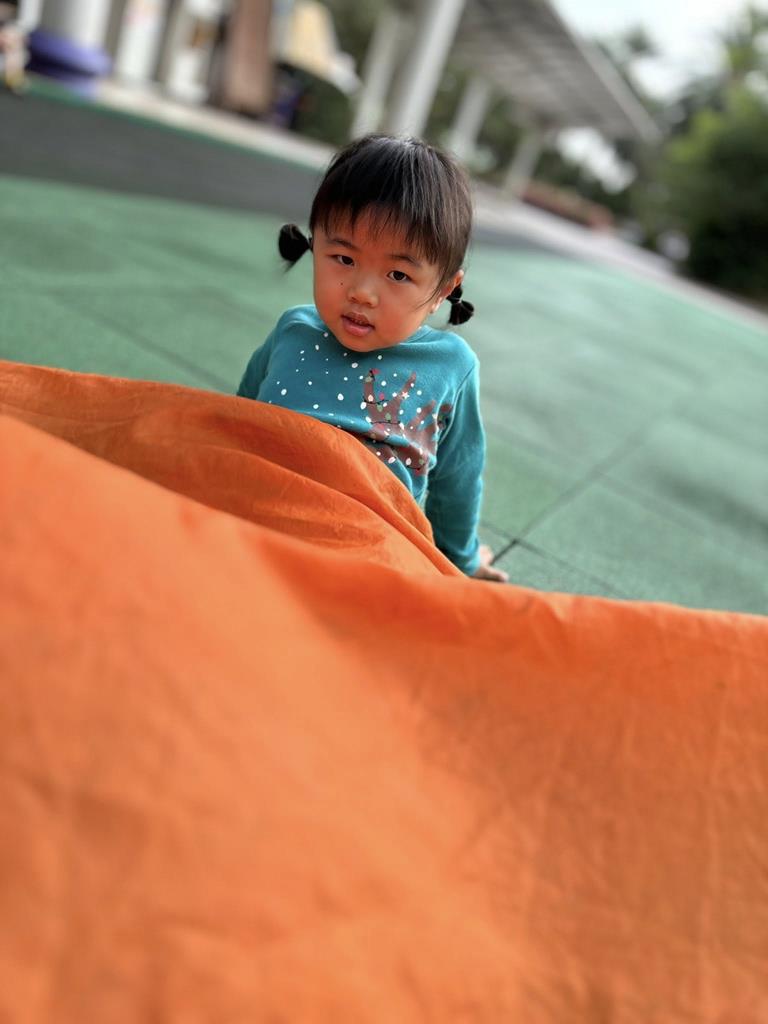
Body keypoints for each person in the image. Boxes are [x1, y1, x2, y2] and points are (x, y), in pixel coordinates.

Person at [237, 133, 508, 582]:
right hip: (256, 528)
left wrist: (459, 563)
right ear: (315, 245)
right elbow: (235, 420)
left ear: (443, 290)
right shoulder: (293, 331)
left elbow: (457, 481)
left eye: (397, 274)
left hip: (365, 560)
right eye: (343, 259)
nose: (362, 292)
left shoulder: (451, 368)